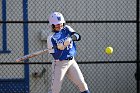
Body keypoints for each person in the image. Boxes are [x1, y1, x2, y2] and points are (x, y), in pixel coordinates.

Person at [47, 12, 90, 93]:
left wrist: (71, 38)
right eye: (56, 24)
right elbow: (56, 56)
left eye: (60, 23)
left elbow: (78, 36)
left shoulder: (66, 28)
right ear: (52, 25)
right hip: (59, 64)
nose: (59, 25)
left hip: (71, 61)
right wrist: (61, 47)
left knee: (82, 84)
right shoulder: (51, 38)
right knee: (55, 90)